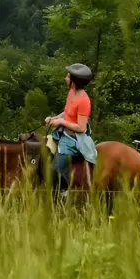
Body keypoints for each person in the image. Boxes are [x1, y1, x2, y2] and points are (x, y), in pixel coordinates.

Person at [45, 63, 97, 194]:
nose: (65, 78)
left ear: (74, 81)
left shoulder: (84, 101)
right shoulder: (71, 92)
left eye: (68, 77)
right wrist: (53, 118)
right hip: (63, 132)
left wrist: (61, 122)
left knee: (55, 169)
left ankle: (65, 192)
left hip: (73, 138)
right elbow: (67, 112)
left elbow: (81, 127)